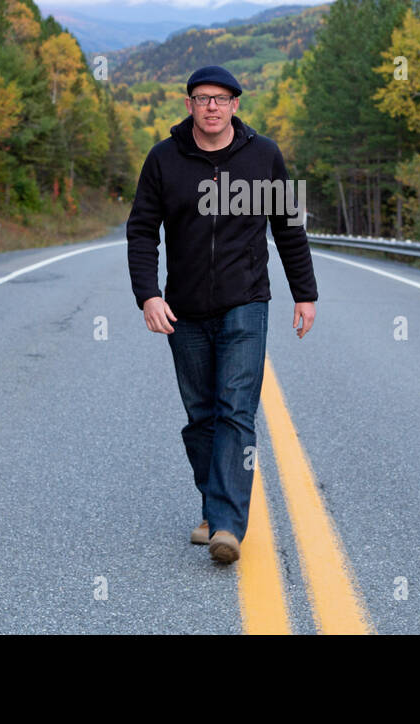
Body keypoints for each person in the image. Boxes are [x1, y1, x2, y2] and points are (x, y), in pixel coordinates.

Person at [126, 64, 318, 564]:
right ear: (188, 105)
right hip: (183, 309)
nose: (212, 106)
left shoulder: (264, 156)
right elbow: (142, 231)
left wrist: (305, 293)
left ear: (235, 104)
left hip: (246, 302)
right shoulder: (164, 160)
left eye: (221, 98)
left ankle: (227, 525)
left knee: (235, 410)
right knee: (201, 417)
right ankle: (215, 508)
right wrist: (148, 294)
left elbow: (289, 227)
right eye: (202, 97)